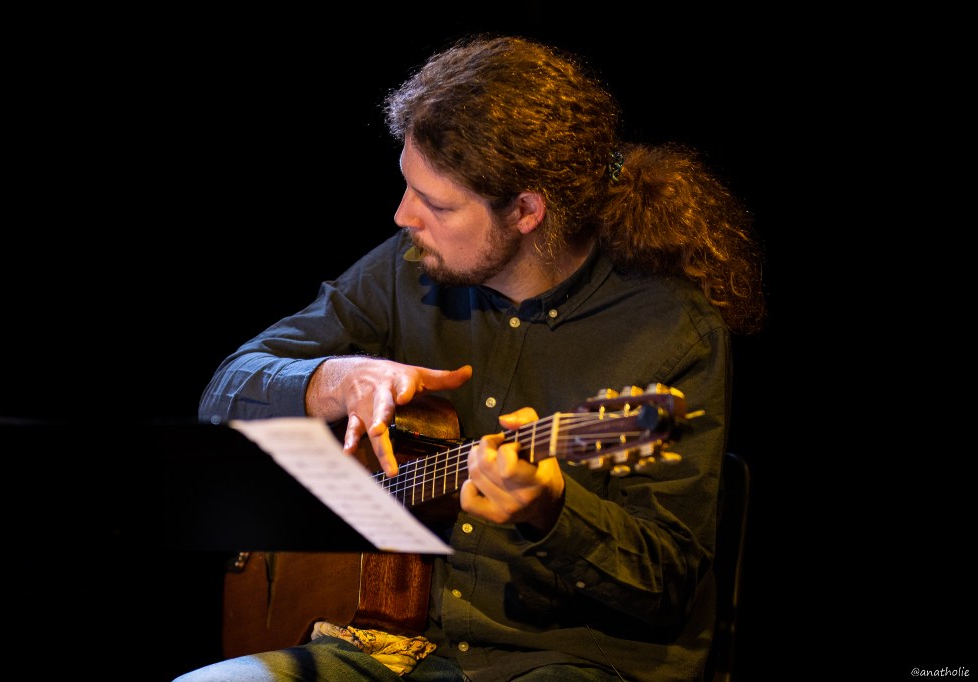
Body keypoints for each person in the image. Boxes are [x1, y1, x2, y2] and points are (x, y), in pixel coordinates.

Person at [177, 33, 765, 682]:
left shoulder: (672, 331)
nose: (402, 216)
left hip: (567, 662)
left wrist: (552, 510)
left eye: (435, 203)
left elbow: (670, 586)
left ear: (526, 211)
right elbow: (224, 394)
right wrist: (336, 378)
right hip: (384, 643)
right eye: (408, 187)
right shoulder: (407, 270)